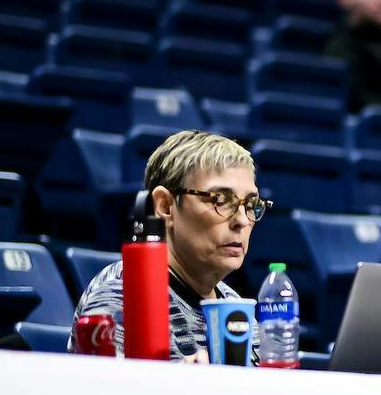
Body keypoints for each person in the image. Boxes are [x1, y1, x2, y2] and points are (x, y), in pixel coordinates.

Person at [72, 131, 268, 360]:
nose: (242, 220)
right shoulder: (124, 294)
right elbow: (112, 393)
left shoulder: (236, 308)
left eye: (251, 204)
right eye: (220, 200)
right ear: (165, 207)